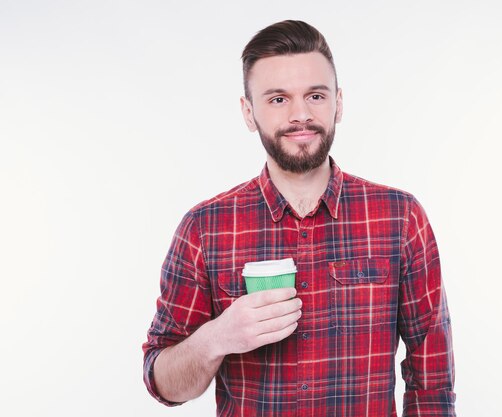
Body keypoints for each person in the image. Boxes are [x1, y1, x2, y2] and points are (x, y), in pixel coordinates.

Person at [143, 20, 456, 417]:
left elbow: (432, 380)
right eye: (278, 99)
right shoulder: (204, 228)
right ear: (248, 111)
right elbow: (164, 385)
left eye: (315, 95)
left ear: (338, 103)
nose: (301, 114)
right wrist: (216, 338)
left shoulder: (400, 217)